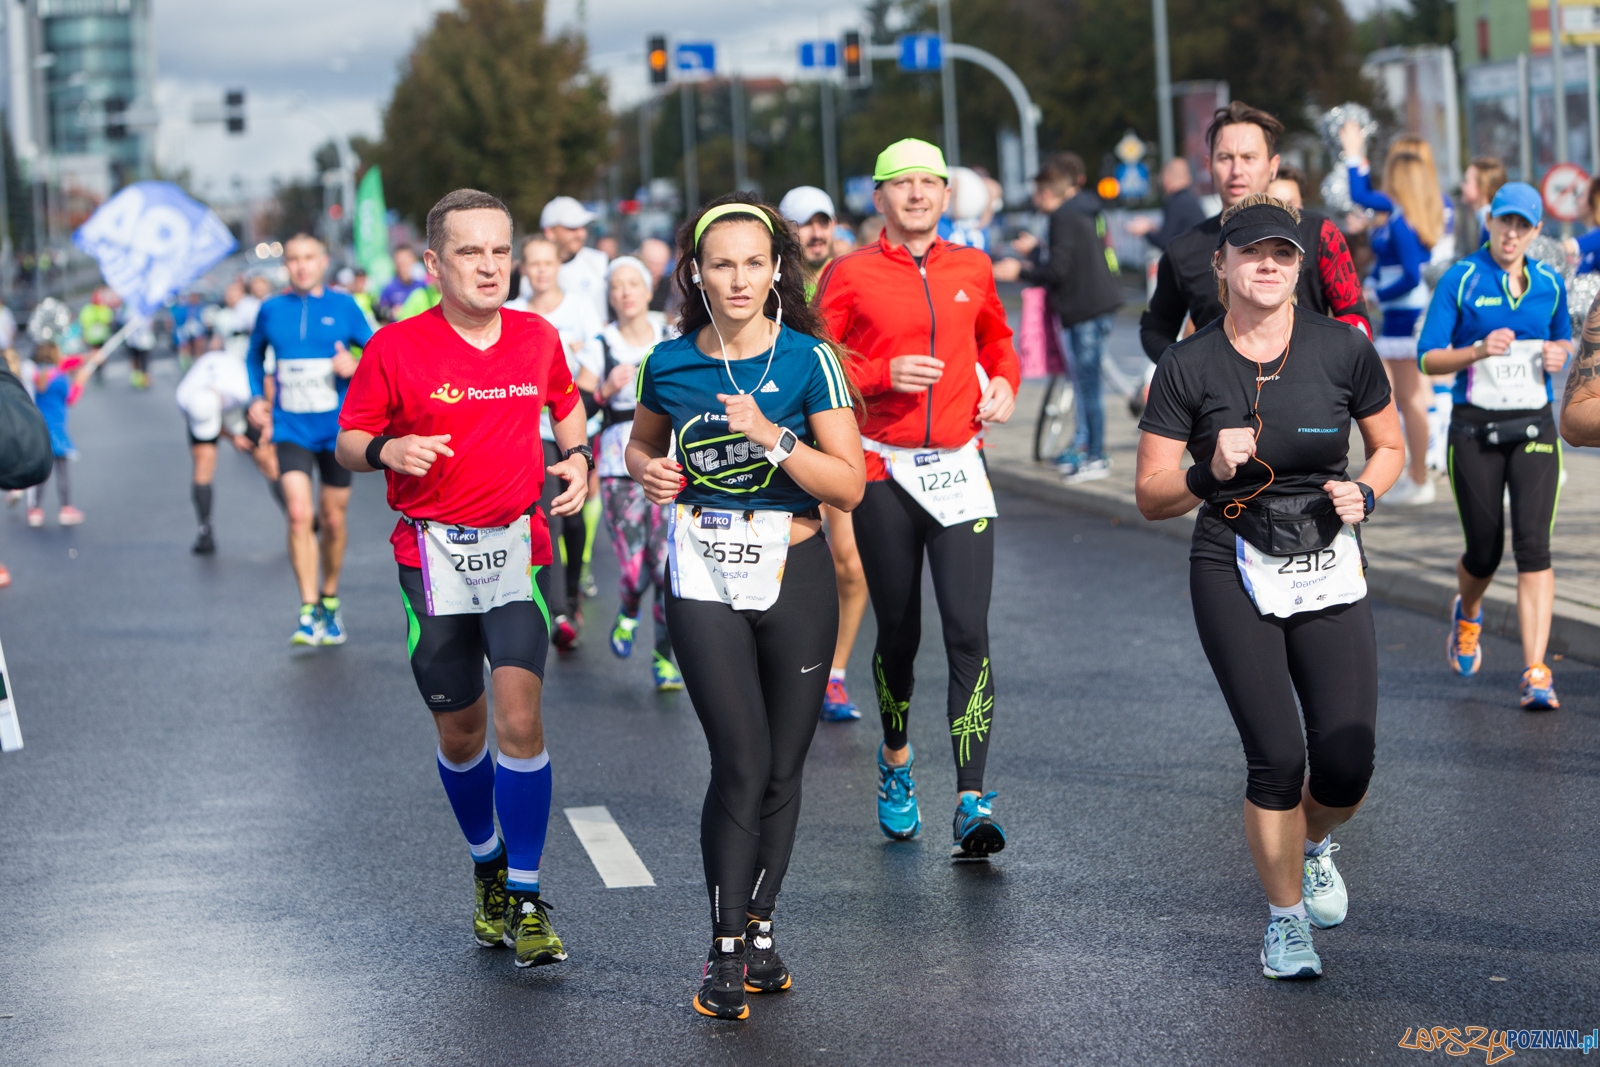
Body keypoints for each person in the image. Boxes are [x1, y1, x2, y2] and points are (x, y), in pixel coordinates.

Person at [1134, 194, 1404, 979]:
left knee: (1348, 763)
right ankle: (1286, 922)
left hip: (1326, 551)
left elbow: (1387, 445)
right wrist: (1204, 469)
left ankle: (1313, 842)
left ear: (1300, 266)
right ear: (1220, 264)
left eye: (1283, 255)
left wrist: (1369, 491)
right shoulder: (1189, 364)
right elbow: (1150, 495)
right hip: (1232, 556)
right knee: (1278, 759)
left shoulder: (1342, 350)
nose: (1268, 266)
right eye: (1251, 252)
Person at [336, 188, 592, 969]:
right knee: (462, 732)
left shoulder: (536, 335)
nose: (490, 266)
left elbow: (568, 404)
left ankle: (525, 893)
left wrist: (576, 457)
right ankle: (486, 859)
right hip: (433, 562)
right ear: (434, 263)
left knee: (521, 719)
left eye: (500, 250)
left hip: (515, 551)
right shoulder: (396, 347)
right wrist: (387, 451)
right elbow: (348, 439)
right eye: (471, 252)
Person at [625, 194, 864, 1021]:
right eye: (721, 263)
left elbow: (851, 484)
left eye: (754, 263)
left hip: (793, 572)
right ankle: (724, 947)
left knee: (784, 767)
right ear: (695, 272)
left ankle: (761, 927)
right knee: (740, 758)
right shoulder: (666, 362)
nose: (737, 278)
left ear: (775, 273)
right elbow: (641, 443)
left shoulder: (808, 361)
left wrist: (774, 436)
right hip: (702, 575)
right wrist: (648, 471)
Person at [817, 138, 1020, 856]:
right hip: (881, 472)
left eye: (929, 183)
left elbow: (998, 339)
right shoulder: (849, 274)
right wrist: (878, 374)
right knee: (899, 636)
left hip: (960, 466)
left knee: (969, 631)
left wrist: (1004, 382)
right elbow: (814, 360)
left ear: (945, 195)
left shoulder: (973, 265)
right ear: (878, 199)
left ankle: (972, 798)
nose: (916, 195)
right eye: (900, 184)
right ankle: (897, 760)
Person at [1417, 183, 1572, 711]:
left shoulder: (1548, 283)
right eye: (1504, 222)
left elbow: (1564, 337)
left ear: (1535, 232)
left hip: (1533, 430)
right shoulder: (1461, 279)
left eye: (1522, 226)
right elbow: (1427, 358)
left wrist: (1559, 353)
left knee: (1534, 548)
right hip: (1474, 433)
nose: (1512, 233)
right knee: (1485, 552)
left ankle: (1536, 670)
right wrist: (1479, 349)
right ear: (1489, 221)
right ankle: (1469, 612)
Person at [1139, 101, 1371, 362]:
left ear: (1273, 166)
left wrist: (1338, 377)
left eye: (1249, 158)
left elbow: (1355, 318)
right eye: (1226, 158)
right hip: (1220, 400)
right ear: (1209, 165)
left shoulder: (1321, 233)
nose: (1237, 171)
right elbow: (1155, 329)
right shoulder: (1183, 249)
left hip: (1313, 397)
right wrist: (1186, 373)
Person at [246, 233, 374, 646]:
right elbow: (253, 356)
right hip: (290, 428)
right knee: (300, 514)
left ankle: (330, 598)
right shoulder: (270, 310)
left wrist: (354, 363)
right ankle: (307, 610)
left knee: (333, 519)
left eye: (309, 258)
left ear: (322, 262)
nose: (301, 266)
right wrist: (255, 398)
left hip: (338, 431)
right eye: (294, 259)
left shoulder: (343, 305)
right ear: (287, 266)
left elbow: (376, 353)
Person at [780, 184, 867, 719]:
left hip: (839, 440)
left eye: (823, 221)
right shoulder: (771, 286)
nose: (816, 232)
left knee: (849, 565)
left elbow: (868, 358)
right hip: (778, 441)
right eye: (803, 223)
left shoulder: (852, 278)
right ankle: (789, 671)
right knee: (786, 565)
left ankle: (833, 674)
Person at [995, 153, 1124, 482]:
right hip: (1095, 306)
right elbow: (1068, 258)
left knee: (1088, 388)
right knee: (1086, 385)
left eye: (1037, 193)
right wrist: (1037, 251)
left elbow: (1058, 270)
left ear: (1047, 193)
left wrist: (1021, 269)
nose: (1036, 200)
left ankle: (1095, 455)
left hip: (1084, 310)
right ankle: (1087, 447)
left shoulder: (1062, 217)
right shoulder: (1084, 210)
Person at [507, 234, 604, 648]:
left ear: (557, 266)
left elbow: (593, 366)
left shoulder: (579, 308)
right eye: (534, 263)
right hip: (532, 431)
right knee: (549, 514)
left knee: (575, 517)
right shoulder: (510, 312)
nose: (542, 270)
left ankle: (571, 591)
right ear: (524, 268)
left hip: (572, 423)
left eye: (548, 263)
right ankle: (559, 612)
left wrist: (572, 380)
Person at [1341, 124, 1444, 505]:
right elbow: (1361, 195)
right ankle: (1415, 474)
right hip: (1402, 314)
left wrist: (1377, 293)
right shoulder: (1399, 216)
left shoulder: (1401, 221)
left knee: (1410, 399)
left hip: (1405, 315)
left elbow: (1413, 275)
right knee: (1404, 397)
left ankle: (1418, 477)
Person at [593, 256, 684, 691]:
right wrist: (606, 389)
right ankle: (628, 610)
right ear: (610, 297)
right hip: (617, 465)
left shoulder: (673, 336)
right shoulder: (601, 343)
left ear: (648, 290)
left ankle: (662, 659)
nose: (626, 292)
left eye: (634, 283)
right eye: (617, 286)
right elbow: (581, 406)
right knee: (633, 571)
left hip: (668, 461)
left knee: (668, 568)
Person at [176, 278, 256, 554]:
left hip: (235, 404)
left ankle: (300, 517)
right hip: (206, 403)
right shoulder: (185, 395)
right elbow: (202, 422)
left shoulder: (241, 388)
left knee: (267, 459)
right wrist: (229, 436)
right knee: (203, 464)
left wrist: (239, 436)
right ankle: (205, 529)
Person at [24, 342, 96, 526]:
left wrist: (83, 359)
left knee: (43, 475)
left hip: (40, 431)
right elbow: (70, 399)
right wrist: (80, 381)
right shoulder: (60, 378)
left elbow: (65, 365)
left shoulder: (37, 375)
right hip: (57, 431)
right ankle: (66, 508)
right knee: (62, 473)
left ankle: (36, 510)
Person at [542, 196, 610, 322]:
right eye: (572, 228)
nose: (581, 234)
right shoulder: (529, 270)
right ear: (549, 232)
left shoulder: (600, 261)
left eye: (583, 227)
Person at [1126, 157, 1209, 250]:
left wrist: (1145, 231)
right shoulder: (1189, 198)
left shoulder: (1176, 202)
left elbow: (1165, 242)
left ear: (1167, 179)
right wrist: (1151, 227)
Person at [1457, 157, 1506, 260]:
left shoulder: (1489, 225)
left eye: (1466, 181)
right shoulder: (1485, 220)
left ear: (1483, 186)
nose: (1462, 186)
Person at [379, 246, 425, 320]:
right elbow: (381, 314)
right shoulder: (388, 288)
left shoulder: (423, 286)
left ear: (413, 261)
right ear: (395, 264)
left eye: (406, 264)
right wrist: (390, 312)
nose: (404, 268)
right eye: (401, 264)